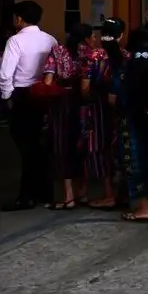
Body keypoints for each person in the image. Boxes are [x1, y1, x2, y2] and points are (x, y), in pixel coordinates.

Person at [0, 0, 58, 211]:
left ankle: (27, 196)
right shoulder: (50, 39)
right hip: (45, 93)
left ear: (20, 19)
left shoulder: (15, 41)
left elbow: (6, 73)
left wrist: (8, 97)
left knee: (26, 147)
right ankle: (45, 192)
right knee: (40, 145)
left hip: (23, 95)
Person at [41, 23, 96, 210]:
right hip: (85, 104)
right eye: (92, 36)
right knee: (83, 145)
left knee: (62, 146)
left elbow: (48, 81)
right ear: (86, 38)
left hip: (61, 105)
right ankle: (83, 192)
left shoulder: (57, 51)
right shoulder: (92, 55)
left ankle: (68, 196)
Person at [117, 29, 148, 222]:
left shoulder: (135, 58)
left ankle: (143, 207)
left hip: (136, 117)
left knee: (136, 161)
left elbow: (130, 89)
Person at [84, 17, 125, 210]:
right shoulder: (127, 56)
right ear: (121, 35)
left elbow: (85, 87)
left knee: (100, 148)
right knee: (121, 148)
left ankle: (108, 193)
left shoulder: (95, 56)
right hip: (122, 108)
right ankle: (124, 192)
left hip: (98, 109)